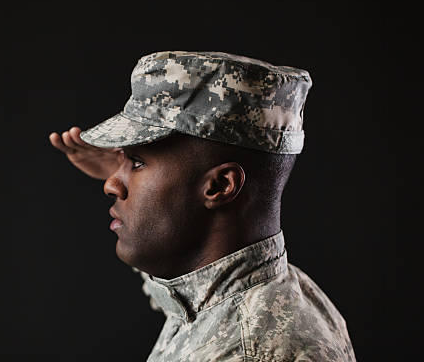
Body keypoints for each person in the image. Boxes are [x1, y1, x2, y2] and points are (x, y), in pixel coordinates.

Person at [49, 51, 355, 361]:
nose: (111, 184)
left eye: (138, 162)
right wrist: (133, 173)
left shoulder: (254, 351)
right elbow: (184, 289)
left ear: (221, 186)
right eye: (124, 160)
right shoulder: (246, 295)